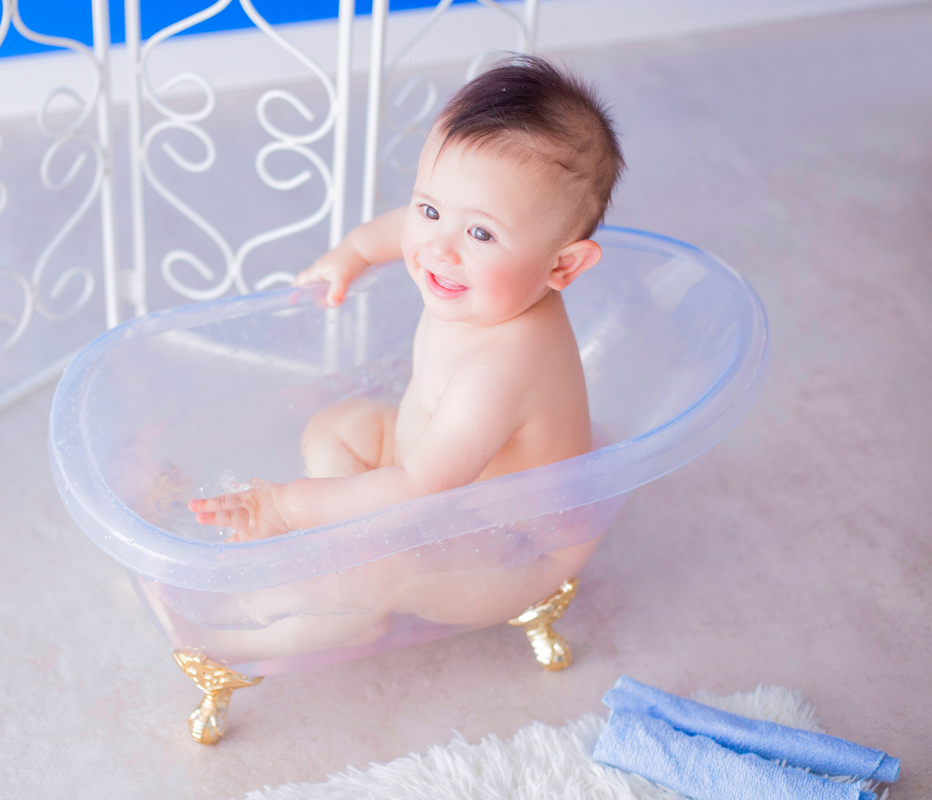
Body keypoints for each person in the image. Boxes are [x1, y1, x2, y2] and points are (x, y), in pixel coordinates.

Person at [189, 55, 624, 546]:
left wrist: (286, 507)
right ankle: (342, 526)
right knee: (336, 425)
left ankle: (315, 575)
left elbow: (420, 488)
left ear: (561, 266)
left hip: (496, 541)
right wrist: (354, 252)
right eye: (431, 208)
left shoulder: (504, 368)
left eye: (481, 232)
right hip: (431, 467)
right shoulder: (473, 273)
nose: (438, 248)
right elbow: (408, 225)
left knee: (363, 569)